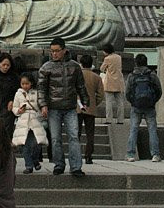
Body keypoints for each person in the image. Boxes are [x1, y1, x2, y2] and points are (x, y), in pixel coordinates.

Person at [37, 37, 89, 177]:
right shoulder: (46, 67)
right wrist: (43, 105)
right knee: (55, 138)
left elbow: (80, 86)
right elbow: (41, 89)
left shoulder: (74, 66)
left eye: (57, 51)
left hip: (70, 107)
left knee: (74, 136)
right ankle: (59, 164)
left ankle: (76, 166)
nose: (54, 54)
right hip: (53, 108)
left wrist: (85, 101)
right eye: (52, 51)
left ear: (64, 50)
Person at [125, 54, 162, 163]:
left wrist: (133, 102)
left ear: (136, 63)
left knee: (133, 129)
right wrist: (153, 101)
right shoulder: (152, 75)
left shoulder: (132, 76)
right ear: (146, 62)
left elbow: (127, 93)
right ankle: (155, 154)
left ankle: (130, 154)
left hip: (136, 106)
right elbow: (159, 90)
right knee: (152, 130)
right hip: (150, 106)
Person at [12, 72, 46, 174]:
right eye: (23, 84)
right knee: (25, 145)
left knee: (37, 143)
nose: (25, 86)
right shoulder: (18, 94)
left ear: (31, 83)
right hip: (23, 121)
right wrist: (18, 111)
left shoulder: (37, 92)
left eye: (27, 83)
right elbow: (15, 107)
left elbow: (40, 104)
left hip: (35, 120)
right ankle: (29, 165)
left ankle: (35, 159)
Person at [78, 54, 105, 165]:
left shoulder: (77, 75)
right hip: (91, 108)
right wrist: (94, 103)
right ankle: (88, 156)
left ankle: (75, 154)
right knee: (90, 134)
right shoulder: (96, 77)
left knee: (76, 133)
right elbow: (100, 95)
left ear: (81, 63)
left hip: (78, 107)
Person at [101, 44, 125, 125]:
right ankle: (120, 120)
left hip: (110, 82)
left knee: (109, 102)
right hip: (119, 81)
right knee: (120, 103)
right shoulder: (119, 57)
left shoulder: (107, 59)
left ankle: (109, 119)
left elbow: (101, 68)